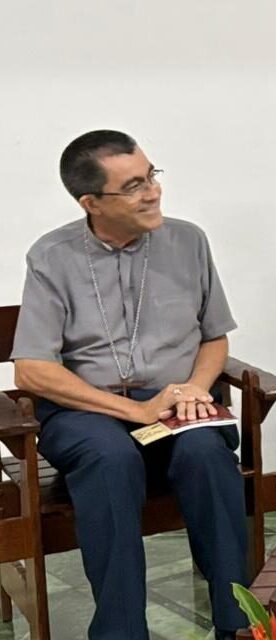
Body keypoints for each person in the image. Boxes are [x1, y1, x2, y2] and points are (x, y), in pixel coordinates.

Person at [12, 130, 248, 639]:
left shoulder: (188, 241)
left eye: (152, 176)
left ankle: (241, 623)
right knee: (109, 459)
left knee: (206, 454)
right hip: (84, 411)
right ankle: (121, 632)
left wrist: (195, 389)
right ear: (91, 202)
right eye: (134, 185)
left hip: (172, 403)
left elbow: (214, 339)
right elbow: (30, 370)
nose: (153, 192)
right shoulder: (51, 256)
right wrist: (133, 413)